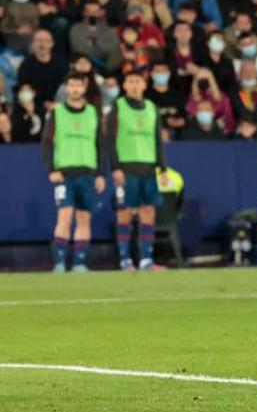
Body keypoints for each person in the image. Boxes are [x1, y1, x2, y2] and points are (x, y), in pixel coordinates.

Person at [42, 71, 106, 272]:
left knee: (84, 218)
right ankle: (59, 263)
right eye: (71, 85)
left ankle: (79, 263)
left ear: (84, 87)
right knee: (65, 215)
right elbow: (47, 142)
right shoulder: (57, 113)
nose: (75, 89)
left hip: (87, 171)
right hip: (65, 172)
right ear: (66, 88)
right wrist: (51, 169)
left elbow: (100, 144)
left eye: (79, 85)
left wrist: (101, 173)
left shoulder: (93, 113)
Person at [104, 71, 165, 271]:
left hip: (148, 166)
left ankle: (146, 259)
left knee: (148, 211)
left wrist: (162, 167)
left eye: (138, 81)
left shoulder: (152, 108)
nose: (134, 85)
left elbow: (157, 140)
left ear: (144, 85)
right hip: (127, 167)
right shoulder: (118, 107)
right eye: (130, 81)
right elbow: (110, 140)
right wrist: (115, 167)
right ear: (125, 86)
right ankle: (125, 259)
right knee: (125, 213)